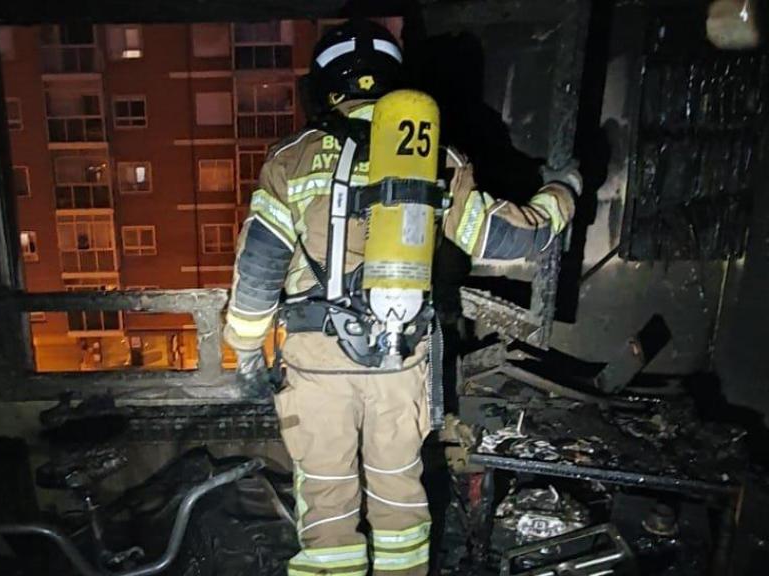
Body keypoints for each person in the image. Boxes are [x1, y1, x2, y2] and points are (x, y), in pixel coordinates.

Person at [224, 19, 580, 576]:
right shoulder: (435, 155)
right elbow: (510, 236)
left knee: (326, 509)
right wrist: (566, 189)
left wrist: (245, 350)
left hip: (316, 366)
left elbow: (259, 266)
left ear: (324, 86)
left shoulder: (293, 158)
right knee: (399, 500)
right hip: (399, 359)